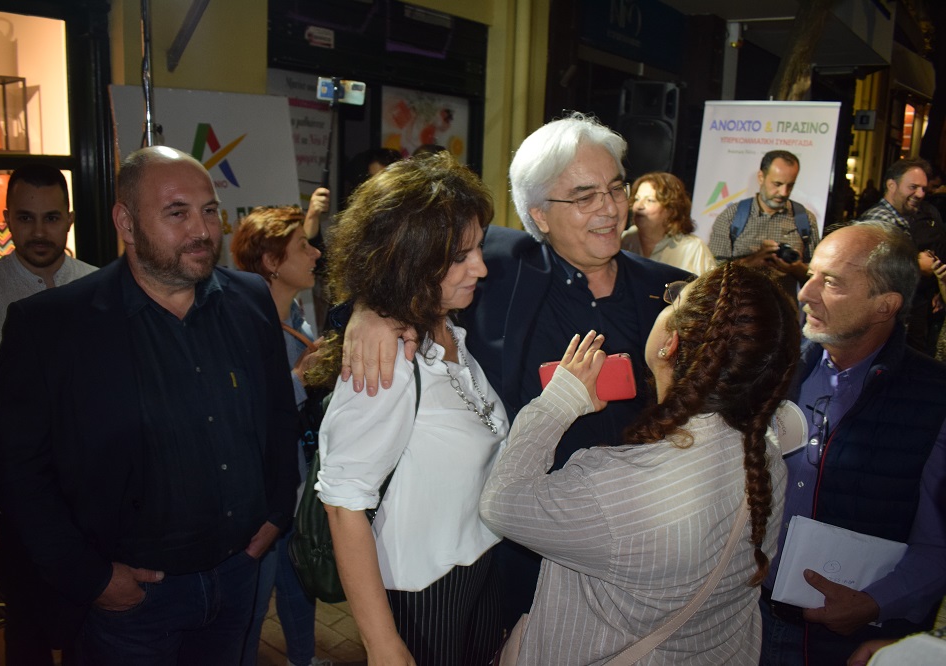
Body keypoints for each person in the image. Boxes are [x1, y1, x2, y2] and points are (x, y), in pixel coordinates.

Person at [341, 112, 690, 625]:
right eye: (584, 196)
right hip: (521, 554)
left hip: (640, 547)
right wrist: (370, 310)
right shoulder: (495, 270)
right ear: (539, 214)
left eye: (617, 188)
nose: (611, 208)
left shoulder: (673, 292)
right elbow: (403, 261)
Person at [0, 146, 301, 664]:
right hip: (130, 601)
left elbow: (278, 416)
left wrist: (276, 510)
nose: (202, 230)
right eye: (177, 213)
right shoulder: (50, 326)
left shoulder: (249, 298)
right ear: (126, 223)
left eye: (209, 210)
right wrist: (93, 578)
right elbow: (18, 473)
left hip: (238, 574)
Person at [481, 263, 800, 664]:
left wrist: (557, 403)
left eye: (674, 299)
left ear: (670, 343)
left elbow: (502, 503)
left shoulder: (617, 488)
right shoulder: (766, 463)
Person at [314, 152, 507, 666]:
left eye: (479, 247)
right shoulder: (389, 359)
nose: (481, 268)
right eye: (460, 256)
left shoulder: (447, 331)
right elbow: (343, 505)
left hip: (476, 572)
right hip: (423, 593)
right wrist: (382, 644)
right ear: (410, 260)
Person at [759, 221, 946, 665]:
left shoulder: (934, 399)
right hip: (748, 621)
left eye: (831, 283)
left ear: (885, 306)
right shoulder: (776, 368)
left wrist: (877, 603)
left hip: (851, 644)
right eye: (810, 276)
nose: (805, 294)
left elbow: (938, 543)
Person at [0, 164, 96, 664]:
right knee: (26, 633)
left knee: (92, 632)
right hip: (12, 506)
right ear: (7, 219)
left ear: (69, 219)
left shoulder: (97, 287)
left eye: (51, 218)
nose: (38, 232)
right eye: (25, 218)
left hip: (90, 501)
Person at [231, 206, 328, 666]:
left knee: (299, 585)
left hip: (297, 479)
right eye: (302, 247)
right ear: (271, 262)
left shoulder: (297, 316)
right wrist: (301, 378)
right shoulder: (244, 324)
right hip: (262, 490)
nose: (315, 253)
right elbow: (244, 409)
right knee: (251, 602)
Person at [854, 157, 946, 353]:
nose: (920, 194)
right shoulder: (882, 220)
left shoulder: (900, 219)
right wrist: (917, 264)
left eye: (924, 189)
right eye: (913, 187)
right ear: (891, 185)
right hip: (878, 326)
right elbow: (874, 269)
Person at [708, 150, 820, 299]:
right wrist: (753, 261)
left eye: (790, 185)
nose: (783, 192)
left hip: (785, 311)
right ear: (761, 177)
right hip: (738, 308)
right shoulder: (731, 217)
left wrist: (796, 268)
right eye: (777, 184)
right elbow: (712, 276)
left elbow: (817, 280)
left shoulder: (805, 219)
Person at [622, 171, 716, 274]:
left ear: (671, 209)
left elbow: (709, 284)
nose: (639, 206)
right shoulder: (625, 240)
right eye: (637, 199)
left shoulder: (693, 249)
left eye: (650, 200)